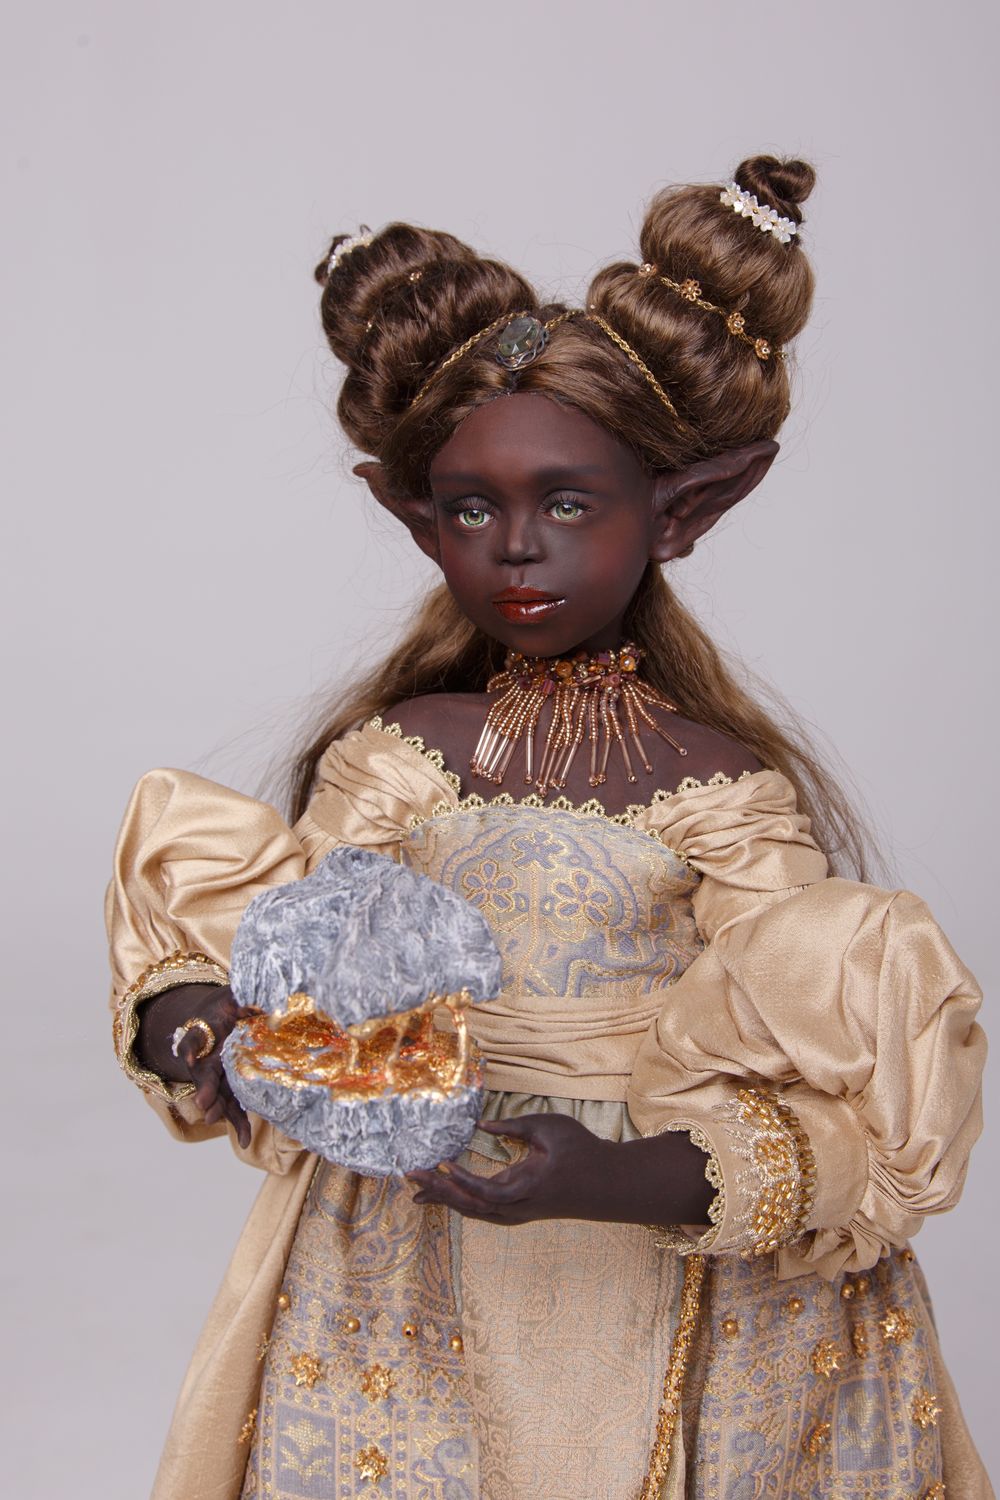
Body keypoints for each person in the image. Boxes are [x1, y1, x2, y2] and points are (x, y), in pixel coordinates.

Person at [107, 155, 992, 1499]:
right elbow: (280, 945)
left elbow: (837, 1106)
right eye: (474, 509)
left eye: (567, 503)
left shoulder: (723, 796)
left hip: (652, 1250)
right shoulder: (402, 763)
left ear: (681, 510)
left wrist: (623, 1178)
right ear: (419, 521)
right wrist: (208, 1023)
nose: (516, 548)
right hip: (402, 1251)